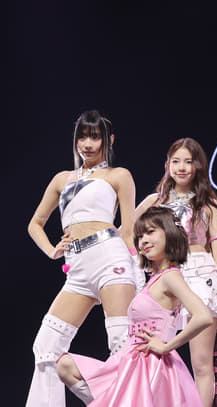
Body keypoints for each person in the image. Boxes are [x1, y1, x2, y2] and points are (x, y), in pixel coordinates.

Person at [26, 110, 144, 407]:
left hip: (110, 258)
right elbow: (35, 224)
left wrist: (138, 272)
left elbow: (128, 229)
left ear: (109, 140)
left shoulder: (118, 175)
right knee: (46, 348)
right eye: (82, 137)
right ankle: (109, 401)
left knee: (121, 345)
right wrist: (52, 249)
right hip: (76, 269)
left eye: (95, 137)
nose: (88, 144)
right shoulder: (61, 179)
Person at [56, 206, 214, 406]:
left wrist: (166, 346)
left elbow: (203, 316)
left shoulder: (171, 276)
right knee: (65, 366)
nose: (143, 240)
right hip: (130, 360)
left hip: (150, 365)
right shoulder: (156, 278)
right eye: (140, 236)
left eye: (150, 232)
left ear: (169, 233)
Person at [135, 138, 217, 407]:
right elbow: (128, 234)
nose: (181, 167)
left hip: (202, 276)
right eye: (176, 161)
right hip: (166, 280)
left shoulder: (208, 204)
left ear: (198, 166)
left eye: (188, 162)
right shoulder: (155, 202)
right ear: (167, 164)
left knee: (201, 364)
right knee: (155, 355)